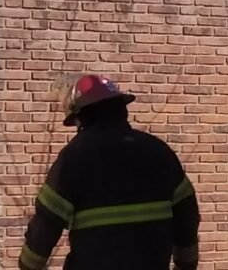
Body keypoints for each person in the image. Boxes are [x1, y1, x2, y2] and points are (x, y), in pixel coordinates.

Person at [18, 74, 200, 270]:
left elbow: (47, 222)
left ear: (81, 117)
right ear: (121, 110)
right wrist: (185, 264)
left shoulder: (74, 158)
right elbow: (187, 214)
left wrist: (29, 264)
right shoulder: (158, 152)